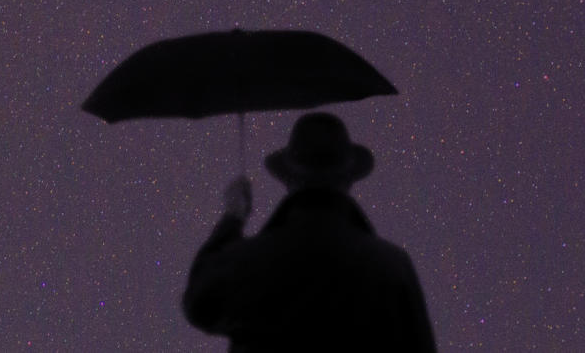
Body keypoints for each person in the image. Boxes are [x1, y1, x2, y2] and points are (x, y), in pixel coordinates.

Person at [182, 112, 437, 351]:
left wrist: (232, 217)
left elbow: (200, 303)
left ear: (289, 179)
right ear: (348, 180)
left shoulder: (249, 262)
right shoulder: (392, 267)